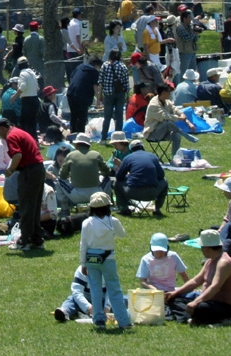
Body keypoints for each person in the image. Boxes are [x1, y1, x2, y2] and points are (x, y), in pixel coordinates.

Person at [79, 190, 132, 330]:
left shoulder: (86, 223)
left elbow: (83, 244)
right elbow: (122, 235)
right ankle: (123, 320)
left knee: (95, 289)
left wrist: (82, 263)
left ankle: (98, 319)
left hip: (91, 259)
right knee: (114, 289)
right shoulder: (112, 221)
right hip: (108, 258)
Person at [0, 117, 46, 250]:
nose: (0, 136)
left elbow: (17, 156)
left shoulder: (11, 136)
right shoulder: (19, 132)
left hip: (29, 171)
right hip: (38, 169)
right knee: (34, 206)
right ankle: (36, 239)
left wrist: (10, 170)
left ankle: (25, 240)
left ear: (2, 128)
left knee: (26, 206)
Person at [166, 229, 231, 325]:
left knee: (201, 307)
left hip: (223, 306)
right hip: (207, 300)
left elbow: (215, 287)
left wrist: (196, 302)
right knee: (175, 299)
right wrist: (175, 293)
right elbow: (195, 281)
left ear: (207, 248)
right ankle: (190, 318)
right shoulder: (210, 261)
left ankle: (191, 317)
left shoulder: (224, 263)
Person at [57, 133, 110, 216]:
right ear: (88, 145)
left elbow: (62, 175)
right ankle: (107, 206)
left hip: (76, 195)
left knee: (58, 181)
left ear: (76, 144)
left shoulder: (71, 155)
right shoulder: (96, 154)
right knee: (107, 178)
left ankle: (65, 209)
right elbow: (107, 171)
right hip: (97, 194)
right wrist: (98, 174)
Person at [114, 140, 168, 216]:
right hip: (152, 193)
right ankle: (157, 209)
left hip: (132, 193)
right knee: (165, 181)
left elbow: (119, 177)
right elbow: (161, 176)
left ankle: (124, 208)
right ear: (143, 148)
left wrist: (123, 173)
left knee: (117, 182)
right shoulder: (153, 157)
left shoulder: (128, 158)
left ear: (131, 149)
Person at [142, 86, 198, 153]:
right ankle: (184, 134)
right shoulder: (154, 104)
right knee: (167, 123)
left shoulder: (167, 101)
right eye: (169, 92)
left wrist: (187, 122)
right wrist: (180, 118)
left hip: (164, 132)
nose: (170, 93)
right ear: (163, 93)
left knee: (176, 135)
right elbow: (165, 116)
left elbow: (175, 109)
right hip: (152, 134)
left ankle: (175, 157)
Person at [98, 49, 130, 143]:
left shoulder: (105, 65)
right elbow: (126, 83)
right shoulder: (123, 66)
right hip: (120, 93)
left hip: (108, 94)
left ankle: (103, 138)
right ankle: (118, 138)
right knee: (119, 116)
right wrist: (127, 96)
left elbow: (100, 81)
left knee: (107, 117)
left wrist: (99, 95)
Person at [66, 56, 101, 134]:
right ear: (96, 65)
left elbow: (72, 78)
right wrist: (98, 101)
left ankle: (73, 133)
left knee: (74, 115)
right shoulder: (94, 71)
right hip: (82, 95)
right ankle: (80, 135)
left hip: (71, 93)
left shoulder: (79, 67)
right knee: (82, 116)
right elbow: (95, 86)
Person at [11, 56, 40, 137]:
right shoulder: (32, 72)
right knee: (33, 122)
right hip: (35, 99)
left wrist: (14, 96)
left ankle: (25, 139)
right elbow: (37, 87)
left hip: (27, 101)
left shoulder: (23, 73)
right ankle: (35, 140)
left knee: (25, 123)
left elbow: (23, 86)